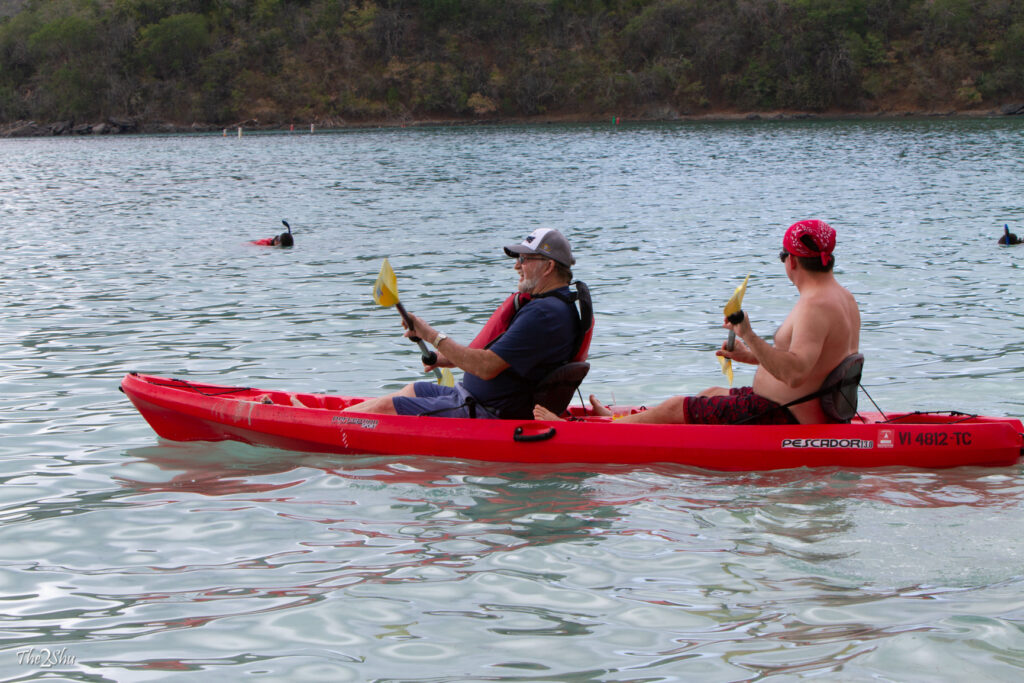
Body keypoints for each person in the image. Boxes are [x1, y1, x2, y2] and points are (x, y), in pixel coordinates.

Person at [535, 219, 860, 425]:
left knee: (677, 407)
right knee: (711, 392)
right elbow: (814, 368)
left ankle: (596, 432)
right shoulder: (841, 297)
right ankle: (620, 420)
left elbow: (796, 373)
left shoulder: (814, 306)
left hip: (785, 419)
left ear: (792, 261)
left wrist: (747, 333)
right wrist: (749, 355)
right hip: (791, 408)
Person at [344, 228, 586, 419]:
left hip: (487, 412)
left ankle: (327, 426)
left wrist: (430, 335)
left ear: (549, 267)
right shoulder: (550, 306)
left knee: (384, 409)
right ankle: (331, 419)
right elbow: (505, 355)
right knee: (412, 390)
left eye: (523, 259)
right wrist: (445, 358)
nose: (516, 266)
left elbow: (486, 367)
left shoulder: (544, 314)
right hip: (473, 397)